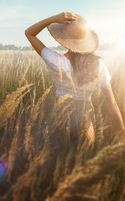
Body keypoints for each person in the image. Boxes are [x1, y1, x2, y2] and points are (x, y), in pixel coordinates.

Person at [25, 12, 124, 147]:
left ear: (64, 39)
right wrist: (122, 132)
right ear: (85, 41)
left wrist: (53, 19)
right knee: (85, 153)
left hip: (61, 111)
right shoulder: (99, 65)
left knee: (60, 153)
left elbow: (29, 33)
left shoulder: (56, 61)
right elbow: (111, 102)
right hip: (86, 113)